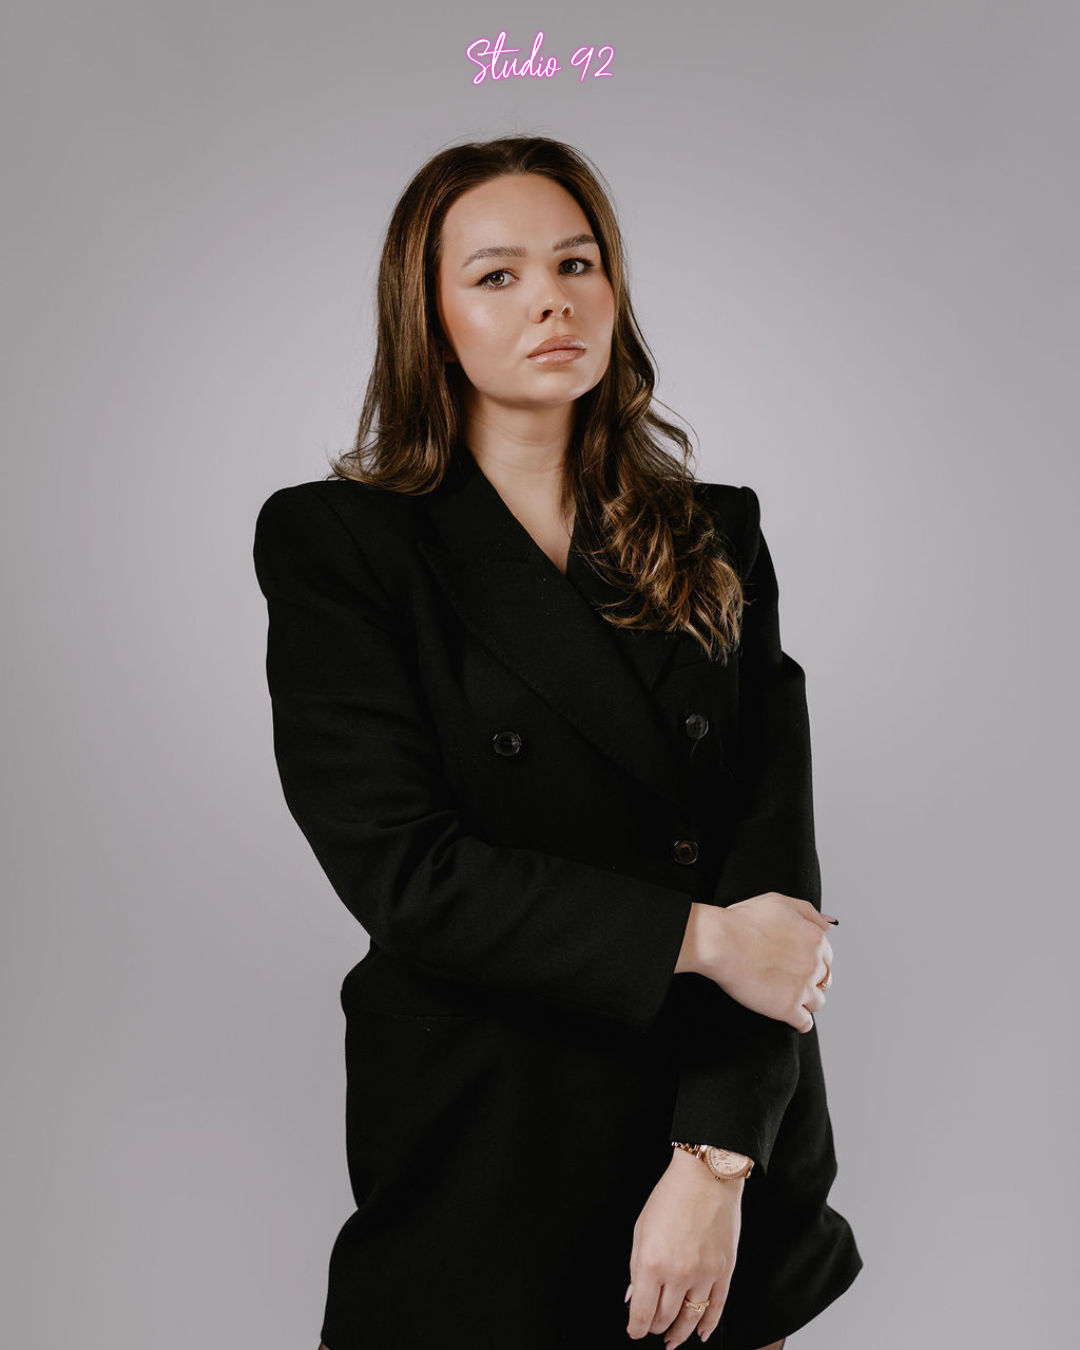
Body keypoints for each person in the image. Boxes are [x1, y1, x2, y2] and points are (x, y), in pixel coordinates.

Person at [253, 134, 863, 1350]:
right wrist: (702, 939)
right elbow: (407, 874)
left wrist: (718, 1161)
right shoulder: (343, 547)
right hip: (486, 1144)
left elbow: (773, 883)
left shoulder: (715, 535)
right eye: (497, 274)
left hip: (707, 1130)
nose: (551, 296)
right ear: (428, 318)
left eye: (578, 262)